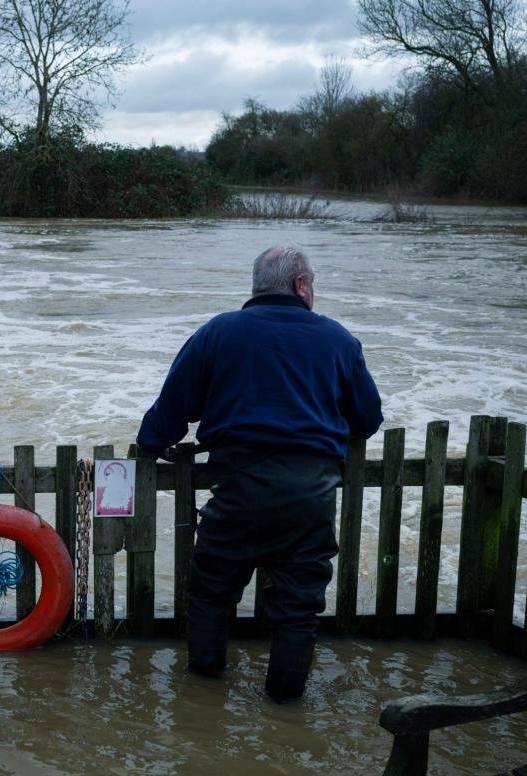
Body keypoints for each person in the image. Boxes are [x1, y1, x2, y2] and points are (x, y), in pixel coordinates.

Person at [136, 245, 382, 703]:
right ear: (301, 285)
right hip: (311, 494)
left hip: (239, 489)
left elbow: (173, 408)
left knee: (210, 593)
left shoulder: (219, 332)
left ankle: (205, 697)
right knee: (297, 610)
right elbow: (366, 419)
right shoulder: (338, 339)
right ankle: (285, 707)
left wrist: (149, 445)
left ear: (256, 286)